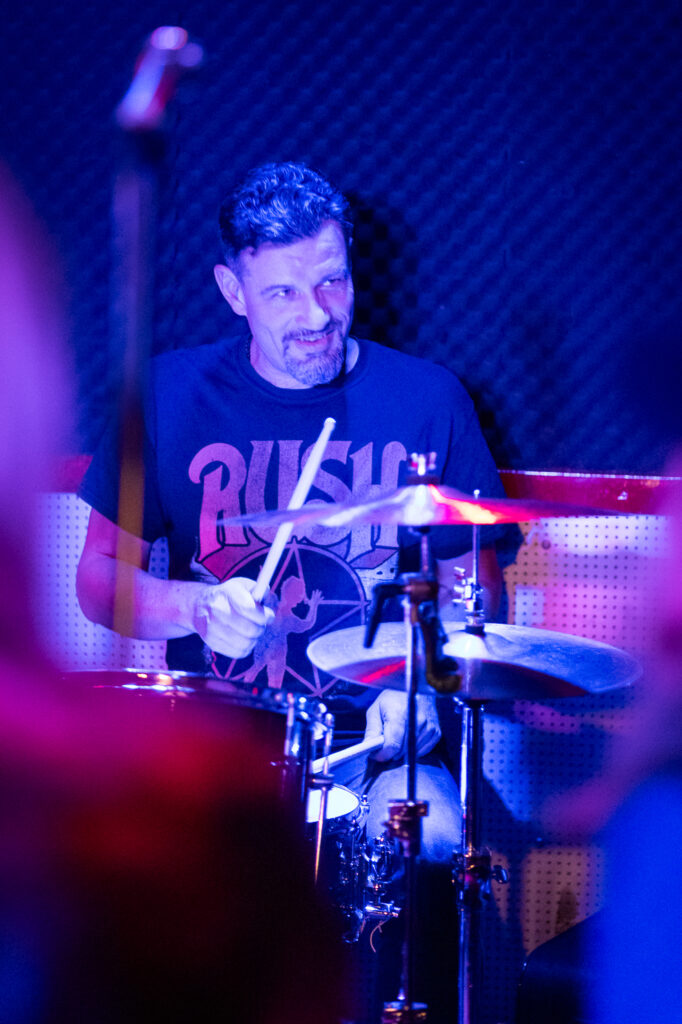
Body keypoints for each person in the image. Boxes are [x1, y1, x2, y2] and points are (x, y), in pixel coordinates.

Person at [76, 161, 516, 1020]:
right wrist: (194, 606)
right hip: (215, 748)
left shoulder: (428, 400)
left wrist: (423, 678)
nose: (316, 315)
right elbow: (98, 580)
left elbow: (477, 591)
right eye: (282, 293)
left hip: (378, 745)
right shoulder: (166, 396)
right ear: (231, 291)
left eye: (332, 281)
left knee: (433, 843)